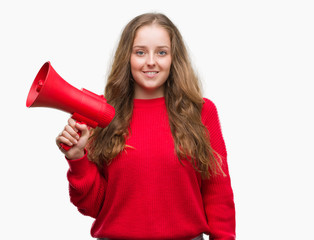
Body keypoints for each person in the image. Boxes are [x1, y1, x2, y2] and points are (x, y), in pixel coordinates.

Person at [55, 12, 235, 240]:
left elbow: (218, 196)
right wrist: (78, 157)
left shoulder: (202, 112)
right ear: (127, 58)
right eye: (140, 52)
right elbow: (92, 207)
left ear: (173, 58)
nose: (151, 61)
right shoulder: (102, 112)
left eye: (161, 52)